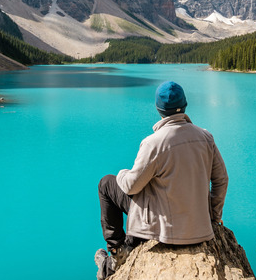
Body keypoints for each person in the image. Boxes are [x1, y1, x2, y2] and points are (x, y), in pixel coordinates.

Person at [95, 81, 228, 279]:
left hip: (166, 234)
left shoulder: (154, 143)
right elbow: (221, 180)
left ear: (159, 109)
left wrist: (123, 173)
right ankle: (125, 247)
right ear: (184, 105)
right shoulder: (206, 137)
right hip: (200, 230)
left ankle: (116, 252)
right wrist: (213, 218)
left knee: (106, 183)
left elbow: (131, 186)